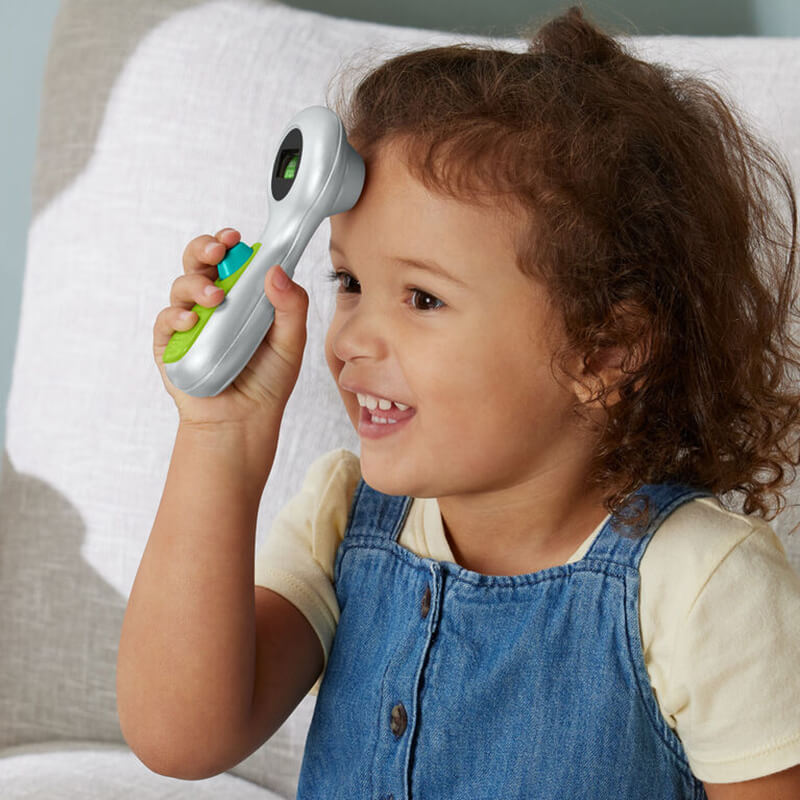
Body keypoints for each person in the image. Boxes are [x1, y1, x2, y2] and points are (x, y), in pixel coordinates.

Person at [117, 6, 800, 798]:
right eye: (350, 283)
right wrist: (219, 439)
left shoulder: (700, 584)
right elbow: (177, 734)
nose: (353, 339)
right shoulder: (344, 521)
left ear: (602, 351)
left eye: (422, 297)